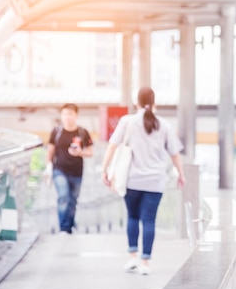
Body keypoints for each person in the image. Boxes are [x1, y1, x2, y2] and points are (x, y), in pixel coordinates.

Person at [101, 87, 185, 275]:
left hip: (132, 180)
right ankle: (145, 263)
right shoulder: (164, 125)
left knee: (133, 216)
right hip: (155, 181)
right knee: (149, 221)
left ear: (136, 103)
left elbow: (112, 145)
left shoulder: (127, 121)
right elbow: (174, 153)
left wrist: (105, 169)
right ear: (154, 103)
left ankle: (132, 257)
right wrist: (181, 174)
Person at [44, 103, 94, 234]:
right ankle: (64, 227)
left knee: (73, 200)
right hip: (59, 169)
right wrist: (48, 166)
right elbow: (50, 150)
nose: (67, 117)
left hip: (77, 171)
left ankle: (70, 225)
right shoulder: (56, 132)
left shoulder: (83, 132)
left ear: (76, 115)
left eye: (70, 114)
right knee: (63, 196)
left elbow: (90, 152)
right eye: (64, 114)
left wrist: (80, 153)